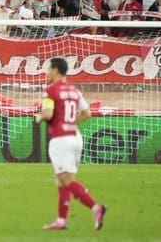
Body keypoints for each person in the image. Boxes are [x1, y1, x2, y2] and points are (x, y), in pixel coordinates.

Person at [35, 57, 107, 231]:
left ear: (56, 71)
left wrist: (39, 117)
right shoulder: (74, 91)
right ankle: (62, 220)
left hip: (61, 139)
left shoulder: (51, 91)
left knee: (65, 180)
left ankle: (96, 207)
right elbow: (87, 113)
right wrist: (71, 122)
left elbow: (48, 113)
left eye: (48, 69)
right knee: (64, 181)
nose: (46, 73)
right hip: (75, 138)